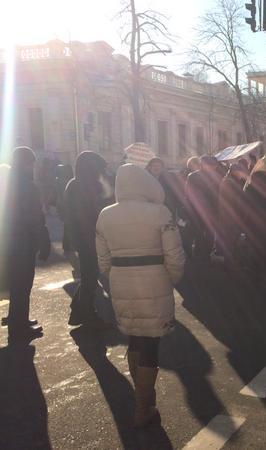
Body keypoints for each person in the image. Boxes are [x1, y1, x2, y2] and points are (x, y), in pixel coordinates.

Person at [96, 164, 185, 428]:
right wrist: (172, 277)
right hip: (154, 279)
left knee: (135, 336)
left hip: (121, 280)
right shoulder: (160, 212)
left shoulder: (105, 214)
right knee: (150, 342)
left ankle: (142, 398)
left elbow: (103, 260)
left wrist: (115, 276)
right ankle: (143, 406)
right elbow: (175, 255)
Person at [0, 147, 50, 341]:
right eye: (32, 163)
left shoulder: (7, 181)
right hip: (22, 243)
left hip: (8, 242)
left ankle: (16, 319)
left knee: (16, 284)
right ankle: (19, 327)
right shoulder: (26, 185)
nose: (33, 167)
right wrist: (43, 241)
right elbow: (34, 218)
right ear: (27, 164)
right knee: (22, 285)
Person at [64, 151, 112, 327]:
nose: (101, 173)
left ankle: (78, 312)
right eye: (99, 169)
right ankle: (86, 315)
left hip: (87, 238)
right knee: (90, 277)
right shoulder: (80, 186)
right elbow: (85, 216)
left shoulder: (80, 184)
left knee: (89, 277)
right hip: (88, 239)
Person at [185, 156, 222, 262]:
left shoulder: (216, 177)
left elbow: (219, 195)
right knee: (199, 234)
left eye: (213, 165)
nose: (213, 167)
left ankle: (205, 256)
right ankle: (198, 257)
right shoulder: (193, 176)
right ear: (203, 164)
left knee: (209, 235)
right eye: (210, 165)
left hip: (212, 211)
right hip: (198, 211)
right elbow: (189, 195)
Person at [218, 163, 247, 269]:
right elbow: (234, 200)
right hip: (230, 216)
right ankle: (229, 264)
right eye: (241, 172)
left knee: (232, 240)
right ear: (235, 172)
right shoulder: (229, 182)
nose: (243, 174)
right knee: (230, 240)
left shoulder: (230, 181)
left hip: (230, 215)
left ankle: (231, 262)